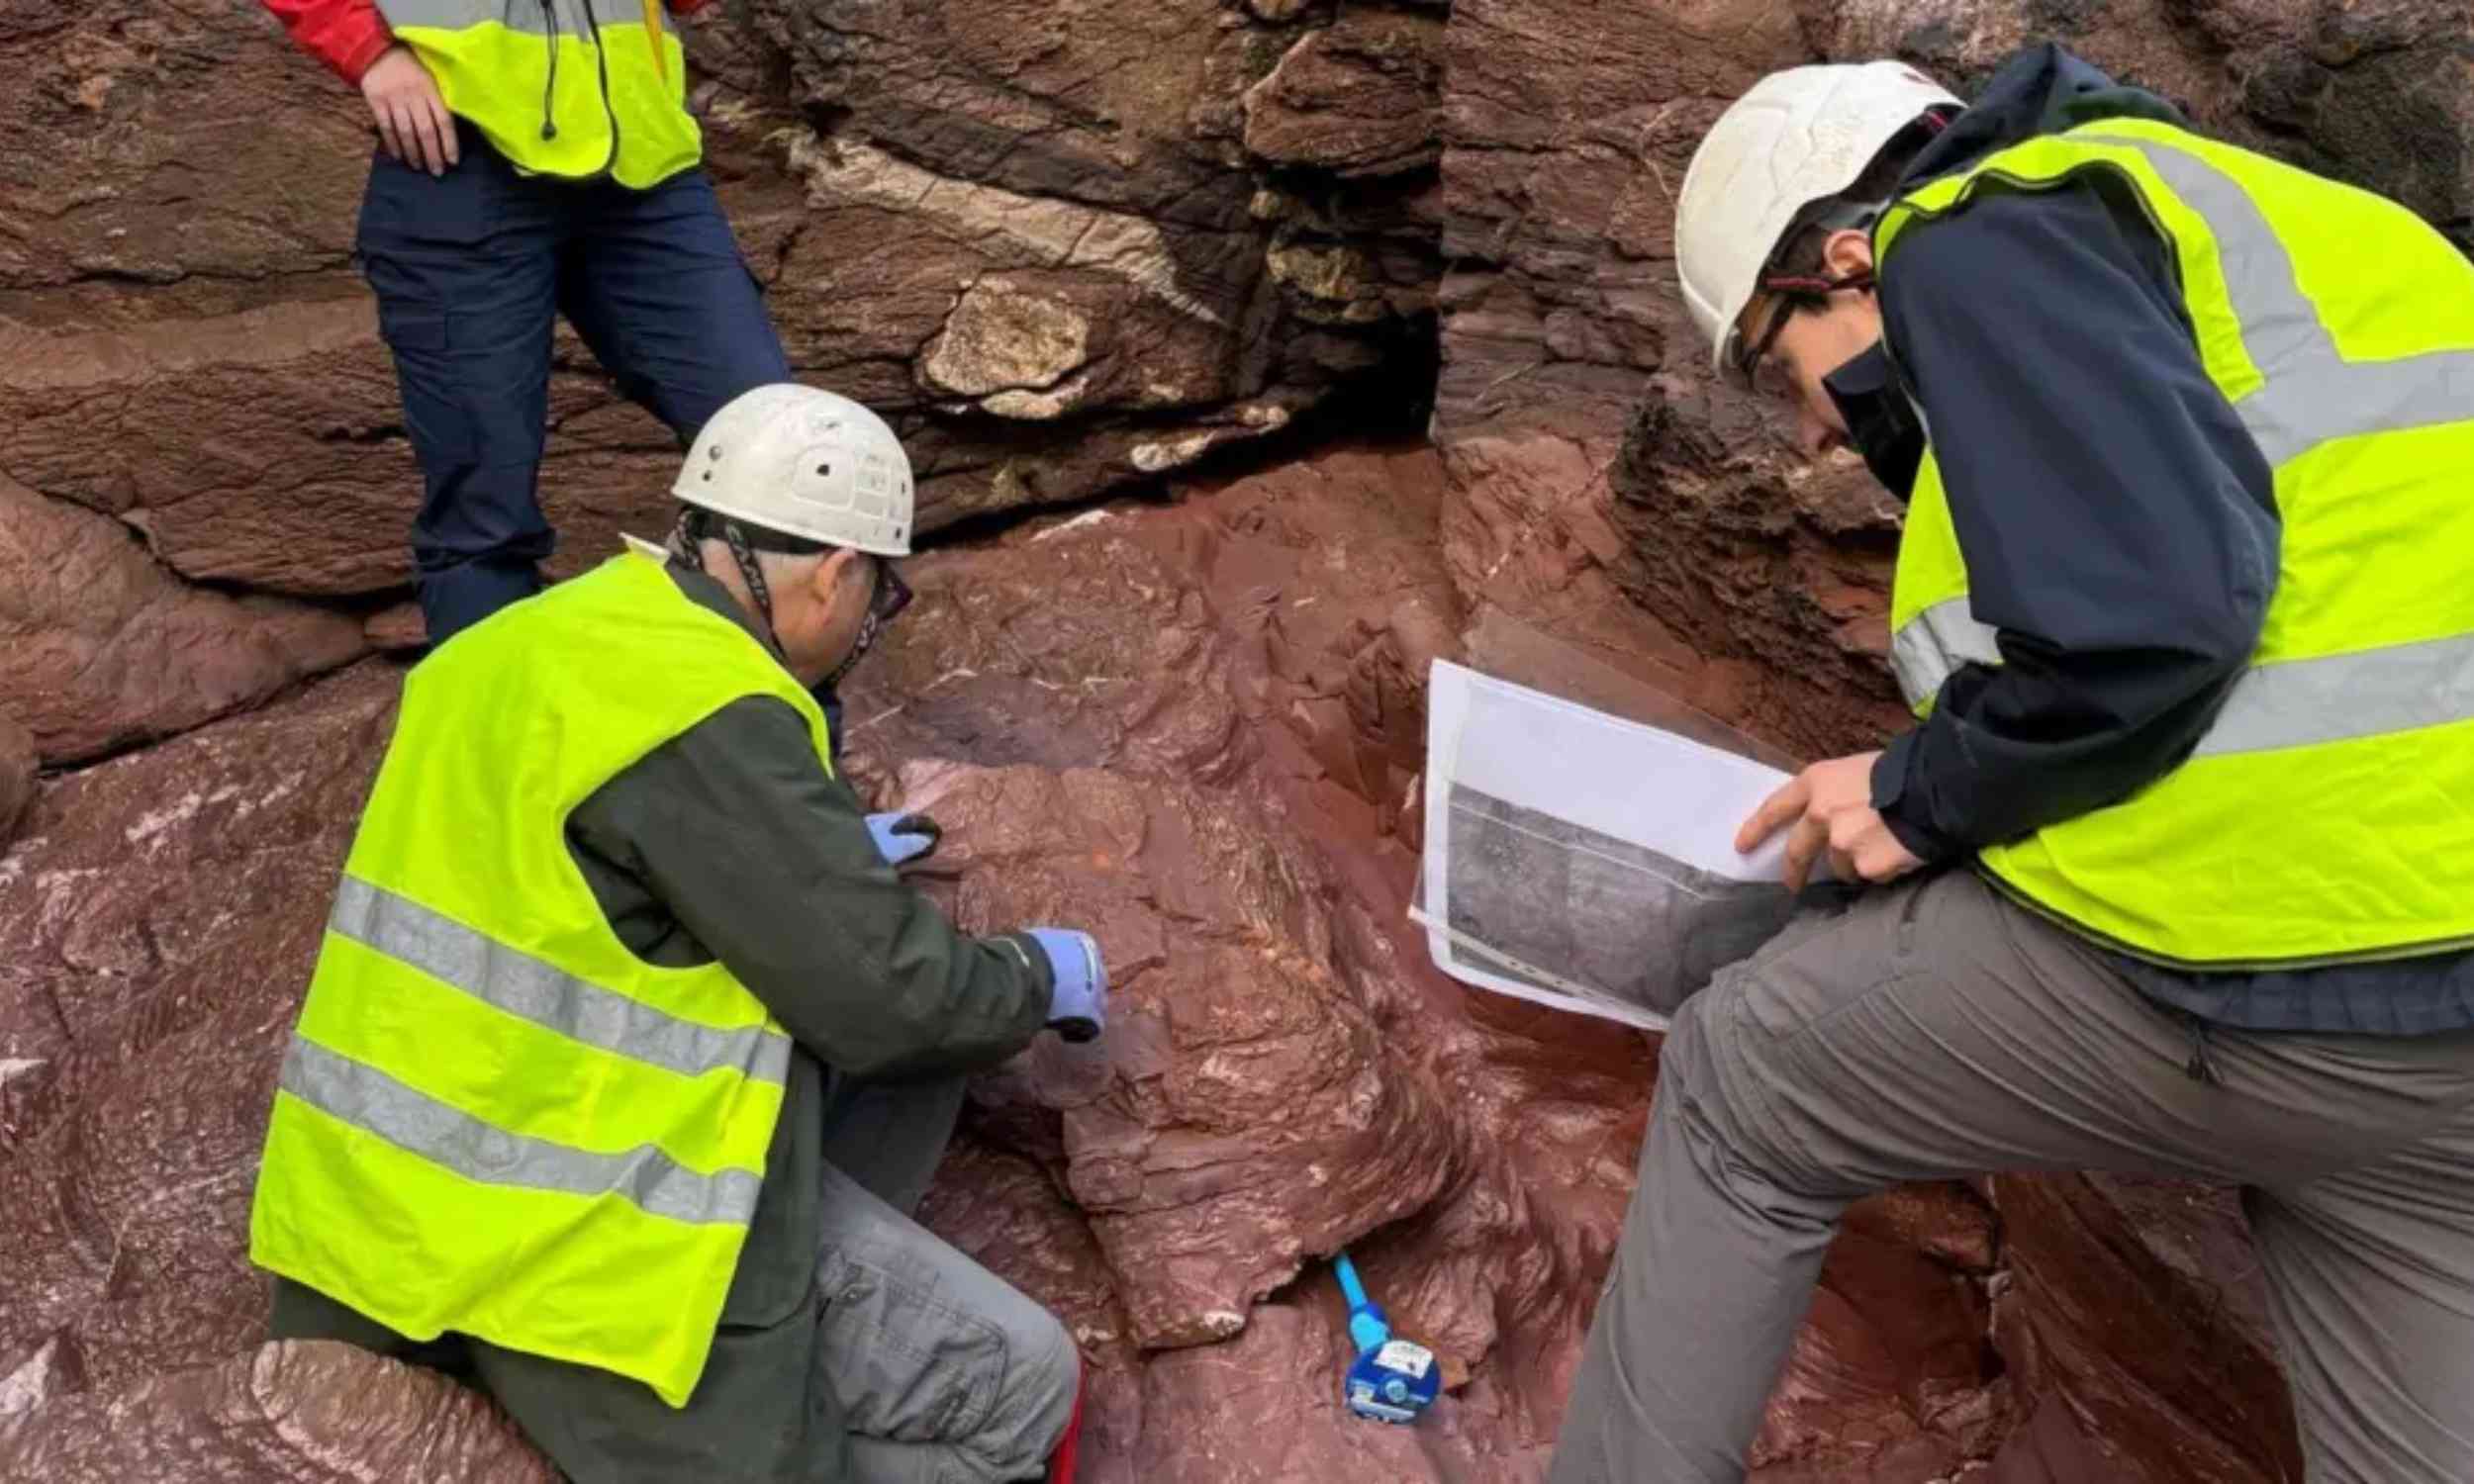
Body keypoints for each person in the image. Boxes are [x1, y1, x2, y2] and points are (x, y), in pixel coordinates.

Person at [1550, 43, 2474, 1484]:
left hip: (2256, 954)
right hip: (2446, 1035)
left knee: (1744, 1076)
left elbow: (2155, 619)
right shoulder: (2320, 232)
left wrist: (1916, 794)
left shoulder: (1972, 230)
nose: (1811, 428)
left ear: (1843, 259)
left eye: (1783, 366)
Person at [248, 383, 1104, 1484]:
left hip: (370, 1218)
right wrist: (1031, 976)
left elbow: (551, 868)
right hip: (575, 1261)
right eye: (878, 598)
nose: (868, 623)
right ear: (837, 573)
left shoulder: (519, 642)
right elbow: (896, 1002)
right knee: (1024, 1392)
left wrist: (796, 862)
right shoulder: (708, 704)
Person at [261, 0, 795, 644]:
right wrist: (368, 51)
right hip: (460, 161)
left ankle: (779, 709)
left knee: (775, 449)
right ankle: (491, 710)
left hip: (644, 165)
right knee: (483, 518)